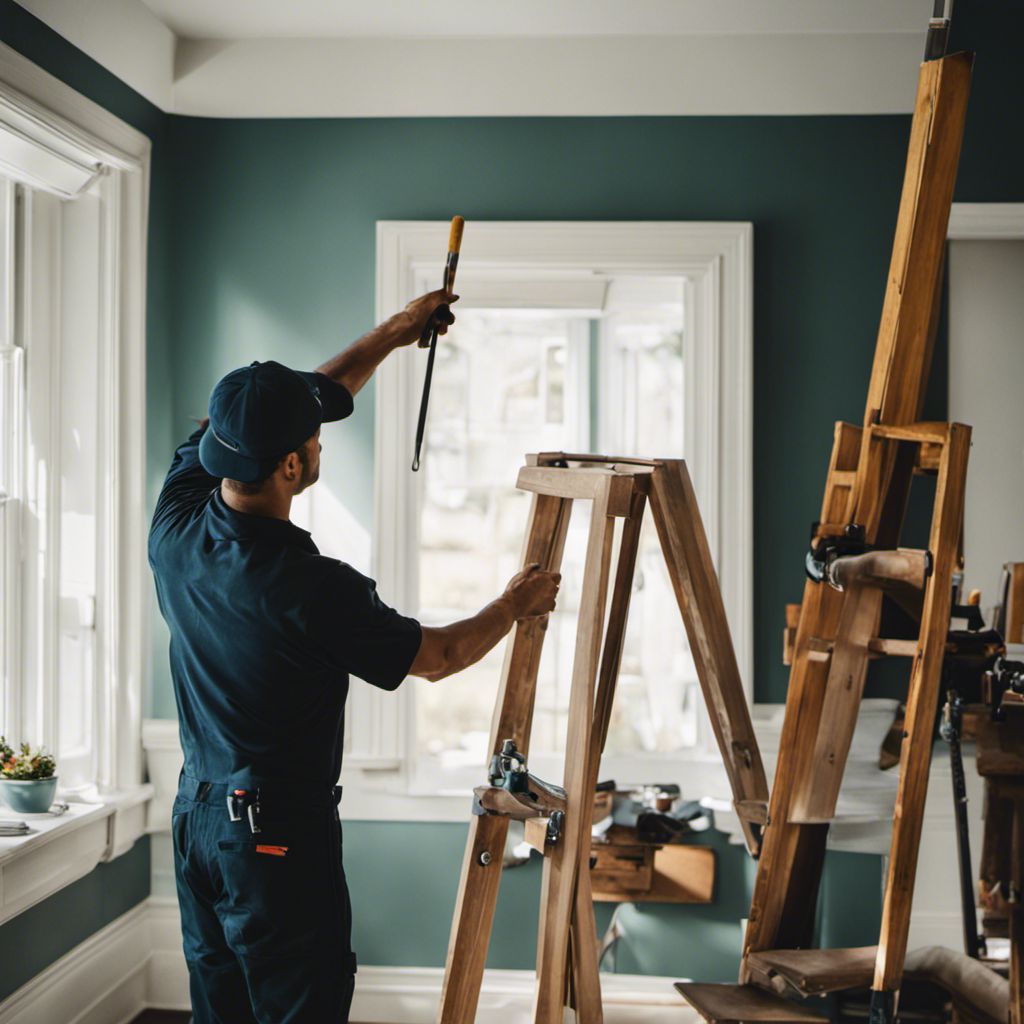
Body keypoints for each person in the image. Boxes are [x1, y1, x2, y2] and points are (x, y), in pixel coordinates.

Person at [148, 288, 561, 1024]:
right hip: (272, 834)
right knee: (299, 1005)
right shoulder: (311, 588)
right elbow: (437, 656)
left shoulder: (175, 522)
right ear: (292, 467)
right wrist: (514, 604)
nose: (319, 444)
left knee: (223, 1010)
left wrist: (396, 333)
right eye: (312, 442)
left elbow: (275, 411)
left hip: (197, 822)